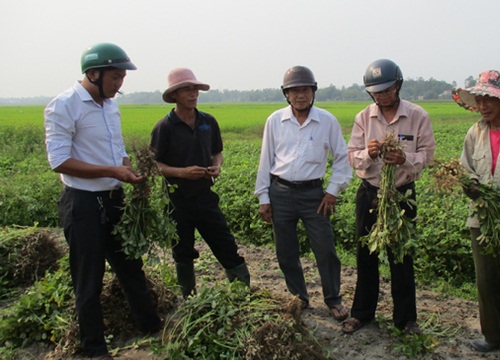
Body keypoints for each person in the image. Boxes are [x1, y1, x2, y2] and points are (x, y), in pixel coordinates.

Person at [44, 43, 161, 359]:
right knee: (89, 277)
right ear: (93, 73)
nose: (120, 83)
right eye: (115, 77)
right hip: (82, 204)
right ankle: (94, 348)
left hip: (114, 199)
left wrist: (128, 170)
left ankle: (151, 328)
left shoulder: (111, 105)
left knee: (130, 267)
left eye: (122, 77)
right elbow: (58, 160)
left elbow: (116, 148)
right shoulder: (64, 105)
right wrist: (111, 170)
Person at [344, 59, 435, 334]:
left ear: (398, 86)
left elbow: (428, 154)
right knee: (366, 253)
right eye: (376, 92)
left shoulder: (417, 115)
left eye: (386, 90)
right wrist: (368, 154)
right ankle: (362, 312)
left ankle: (406, 319)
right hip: (370, 193)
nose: (382, 96)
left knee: (402, 256)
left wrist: (405, 158)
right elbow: (352, 156)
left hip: (401, 195)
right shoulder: (363, 117)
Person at [254, 66, 352, 320]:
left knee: (326, 249)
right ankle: (299, 297)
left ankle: (333, 299)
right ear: (286, 94)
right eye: (294, 90)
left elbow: (342, 159)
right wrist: (263, 197)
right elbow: (266, 161)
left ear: (313, 92)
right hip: (280, 192)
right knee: (285, 250)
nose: (300, 95)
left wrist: (332, 192)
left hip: (314, 196)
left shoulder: (327, 121)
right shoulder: (275, 120)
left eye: (305, 90)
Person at [150, 68, 250, 298]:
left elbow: (217, 151)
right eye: (186, 89)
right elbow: (154, 165)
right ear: (174, 95)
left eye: (195, 88)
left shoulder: (208, 122)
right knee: (182, 251)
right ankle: (188, 299)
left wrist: (217, 166)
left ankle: (242, 295)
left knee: (225, 244)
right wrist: (182, 173)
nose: (193, 93)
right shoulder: (164, 127)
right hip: (176, 201)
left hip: (205, 196)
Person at [452, 70, 500, 353]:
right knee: (486, 280)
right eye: (480, 100)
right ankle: (493, 336)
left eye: (489, 100)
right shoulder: (475, 132)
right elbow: (465, 167)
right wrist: (469, 184)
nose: (483, 106)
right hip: (481, 217)